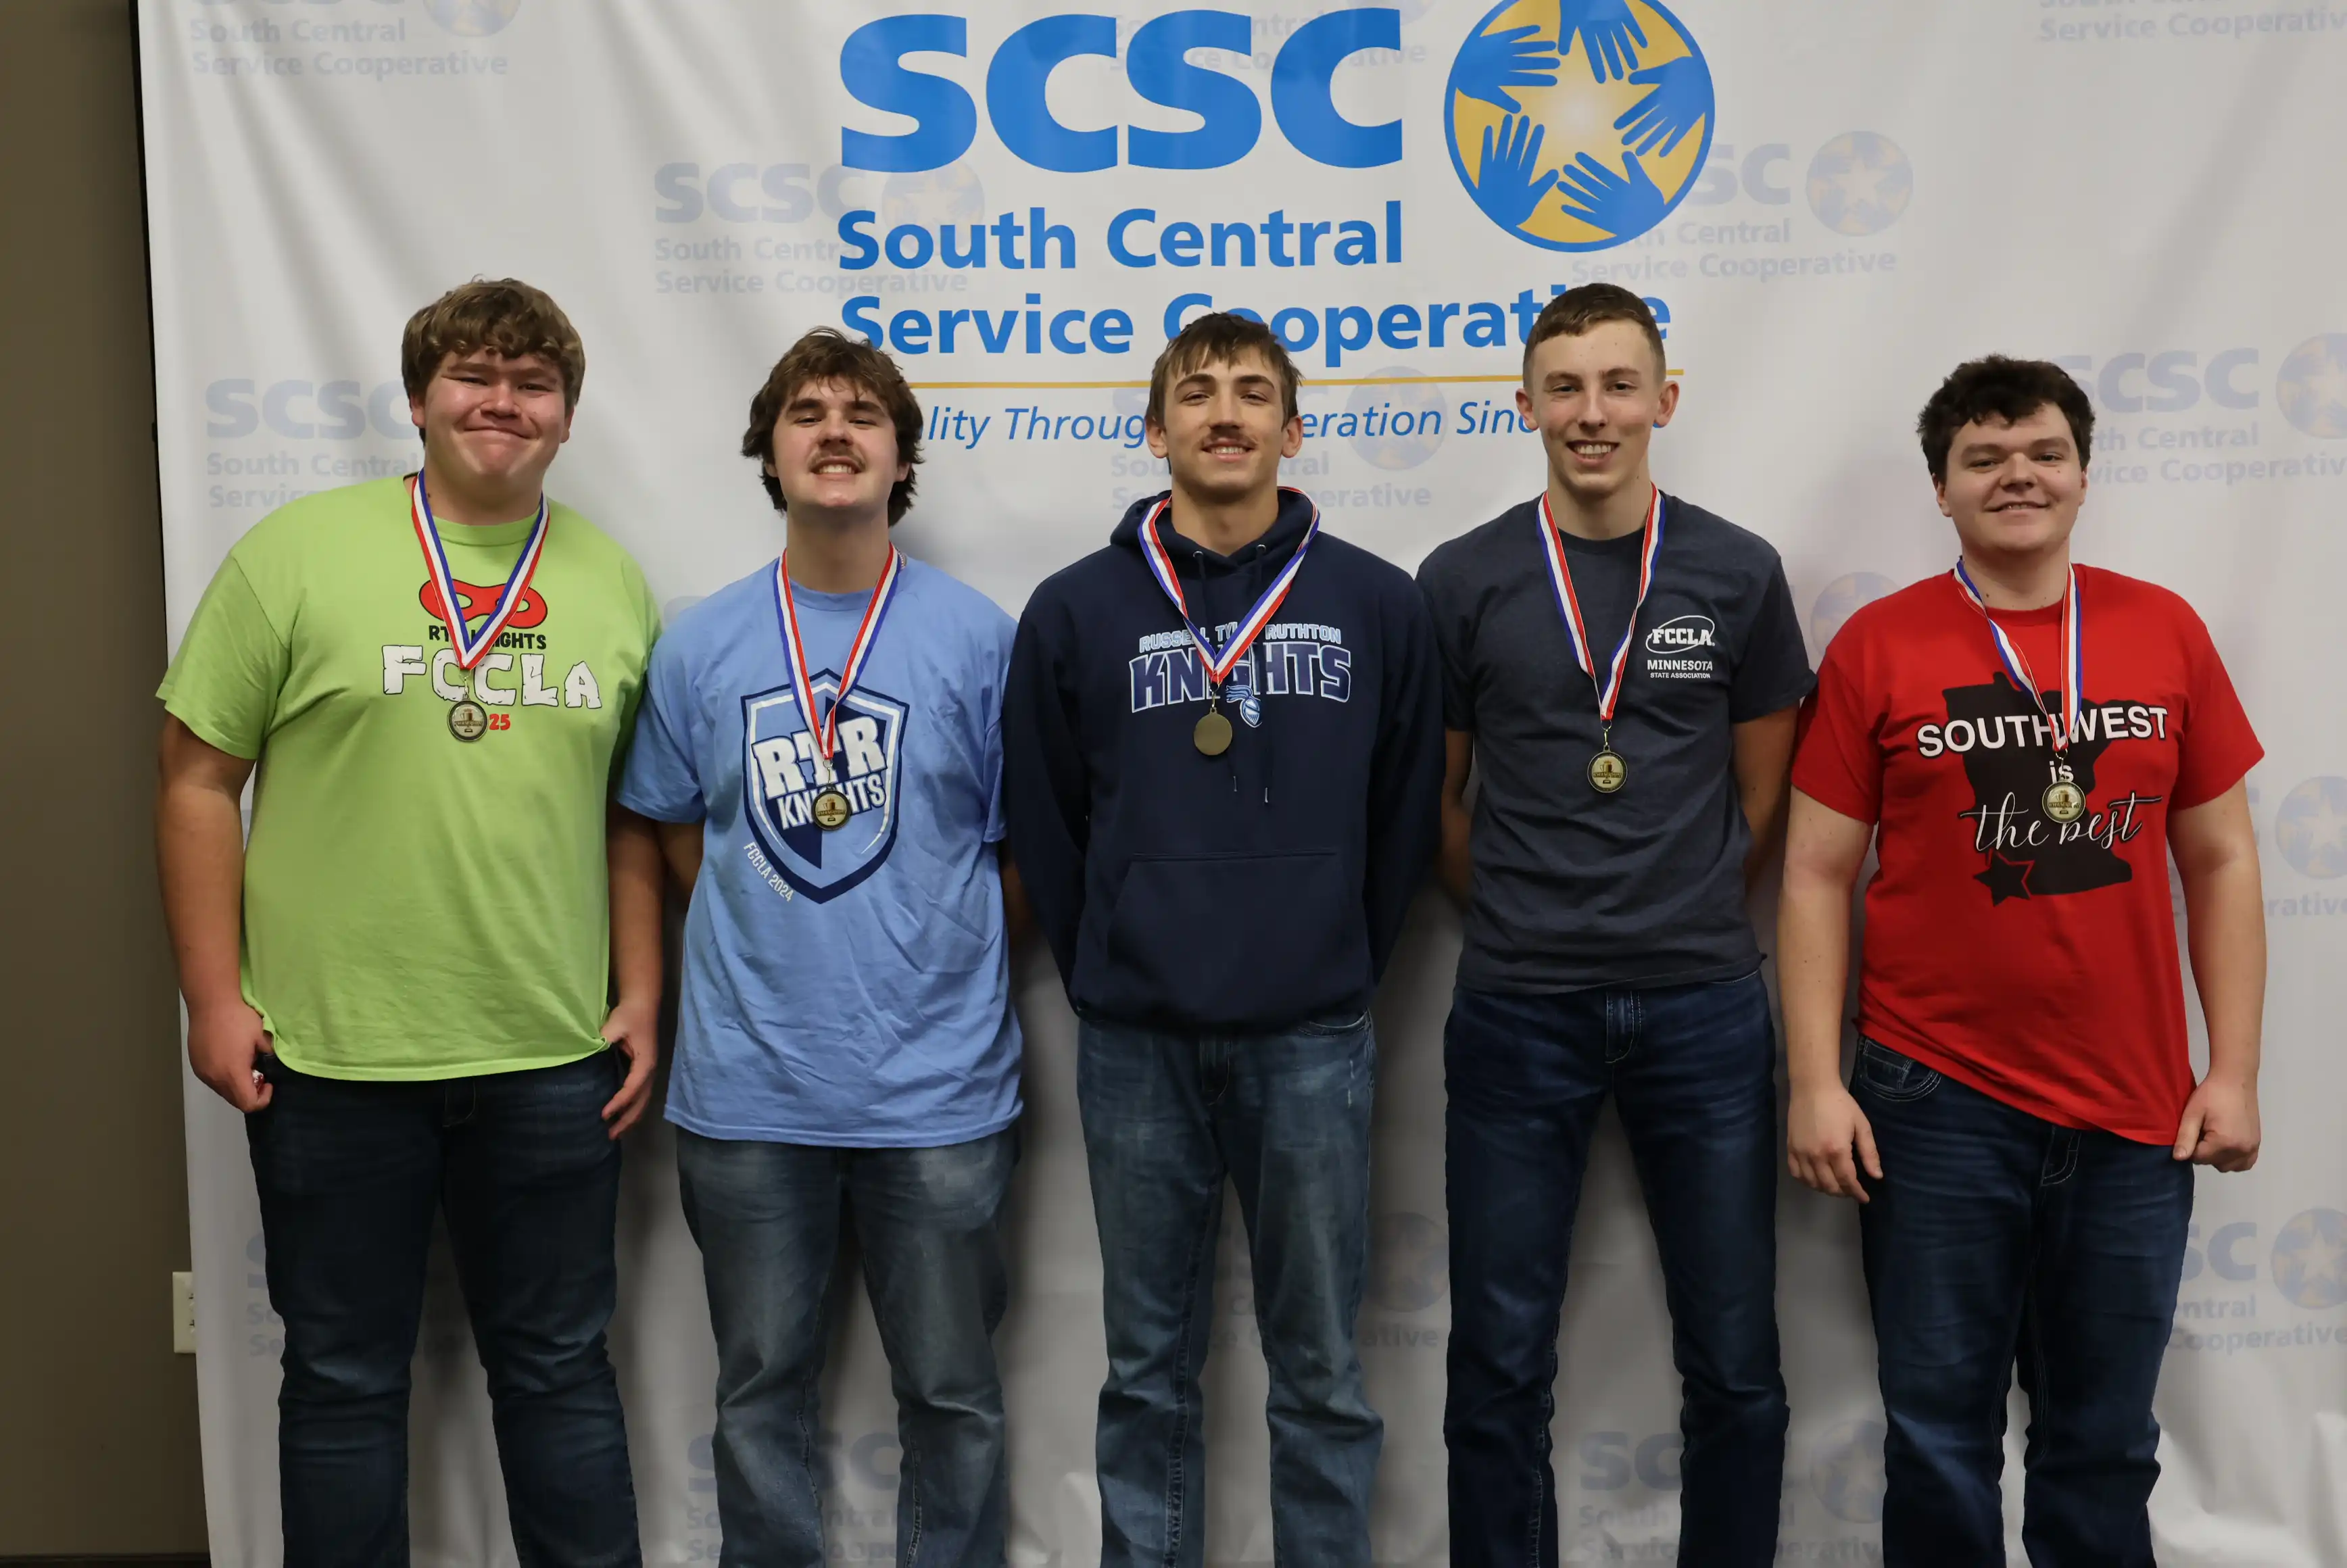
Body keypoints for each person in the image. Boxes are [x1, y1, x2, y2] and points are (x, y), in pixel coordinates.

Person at [153, 278, 662, 1568]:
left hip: (551, 1056)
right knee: (342, 1380)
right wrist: (212, 998)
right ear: (419, 400)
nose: (503, 402)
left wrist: (643, 993)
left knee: (559, 1373)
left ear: (567, 417)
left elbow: (629, 814)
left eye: (533, 384)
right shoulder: (295, 554)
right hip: (330, 1056)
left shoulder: (612, 580)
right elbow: (197, 781)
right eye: (473, 376)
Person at [1781, 356, 2265, 1567]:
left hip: (2135, 1109)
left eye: (2045, 453)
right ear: (1941, 488)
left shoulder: (2164, 631)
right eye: (1984, 458)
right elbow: (1814, 875)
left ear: (2084, 475)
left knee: (2104, 1442)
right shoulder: (1880, 645)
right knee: (1937, 1438)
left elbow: (2220, 861)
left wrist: (2235, 1071)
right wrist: (1816, 1080)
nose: (2018, 477)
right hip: (1932, 1099)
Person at [1002, 311, 1443, 1567]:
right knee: (1147, 1370)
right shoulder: (1074, 609)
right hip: (1136, 1042)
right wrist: (1114, 964)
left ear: (1293, 432)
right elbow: (1047, 820)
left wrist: (1332, 957)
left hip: (1313, 1037)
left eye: (1255, 392)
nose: (1226, 412)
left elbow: (1405, 814)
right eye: (1197, 393)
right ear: (1157, 431)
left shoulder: (1377, 602)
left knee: (1320, 1368)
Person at [1416, 283, 1813, 1567]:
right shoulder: (1462, 578)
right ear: (1526, 405)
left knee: (1737, 1360)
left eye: (1619, 385)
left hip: (1704, 1007)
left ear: (1664, 401)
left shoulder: (1738, 571)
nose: (1593, 413)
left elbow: (1764, 798)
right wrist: (1528, 913)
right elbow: (1439, 805)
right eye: (1566, 387)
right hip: (1516, 1009)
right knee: (1497, 1364)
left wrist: (1677, 907)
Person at [614, 328, 1023, 1568]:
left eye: (863, 415)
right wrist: (761, 922)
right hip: (749, 1090)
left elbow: (1022, 852)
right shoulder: (700, 643)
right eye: (806, 412)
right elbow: (664, 826)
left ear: (901, 458)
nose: (835, 431)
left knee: (952, 1397)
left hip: (938, 1093)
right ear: (770, 452)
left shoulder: (981, 638)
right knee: (758, 1396)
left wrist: (935, 944)